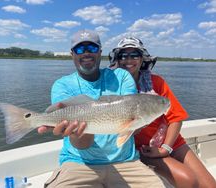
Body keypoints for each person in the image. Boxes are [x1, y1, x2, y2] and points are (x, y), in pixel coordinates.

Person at [38, 30, 165, 188]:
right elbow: (82, 144)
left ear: (100, 52)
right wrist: (78, 131)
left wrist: (138, 122)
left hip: (127, 162)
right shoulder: (62, 85)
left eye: (91, 48)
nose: (86, 53)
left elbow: (129, 125)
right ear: (72, 54)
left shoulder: (122, 77)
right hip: (79, 163)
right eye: (79, 49)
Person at [109, 36, 216, 188]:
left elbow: (176, 117)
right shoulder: (111, 86)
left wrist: (165, 148)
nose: (129, 60)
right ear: (117, 59)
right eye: (123, 55)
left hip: (172, 141)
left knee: (210, 185)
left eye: (134, 55)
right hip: (144, 149)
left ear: (142, 58)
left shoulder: (156, 82)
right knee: (187, 179)